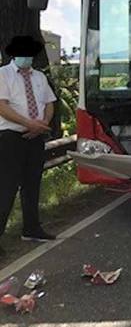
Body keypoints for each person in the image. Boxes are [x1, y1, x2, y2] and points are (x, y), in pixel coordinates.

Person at [0, 36, 57, 257]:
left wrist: (40, 125)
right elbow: (2, 106)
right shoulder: (3, 75)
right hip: (10, 137)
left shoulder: (39, 77)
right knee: (6, 187)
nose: (27, 58)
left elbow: (49, 103)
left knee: (32, 184)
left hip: (35, 137)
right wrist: (27, 123)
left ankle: (32, 228)